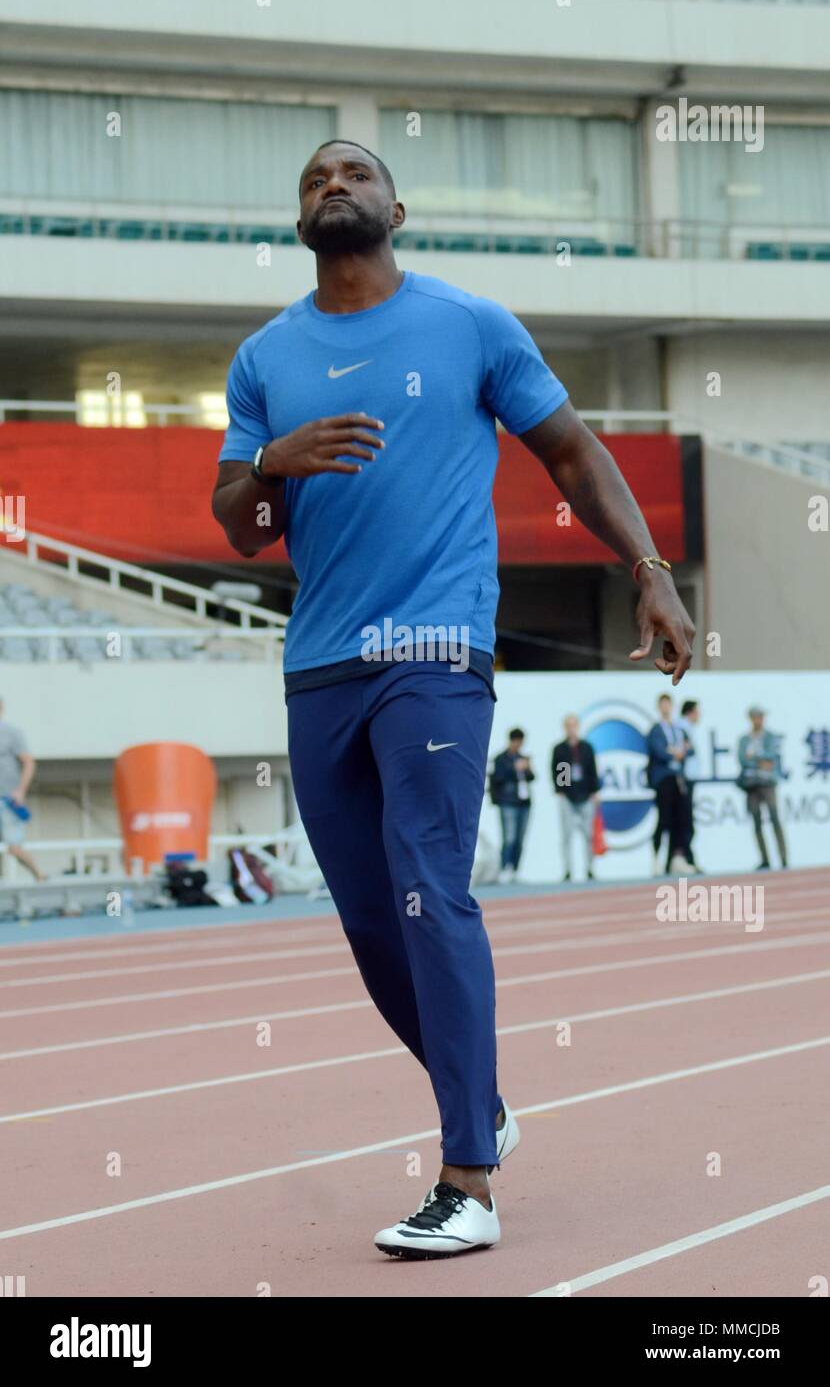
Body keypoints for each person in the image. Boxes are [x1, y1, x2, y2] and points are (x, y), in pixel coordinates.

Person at [211, 138, 695, 1260]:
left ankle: (466, 1178)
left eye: (354, 174)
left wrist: (648, 572)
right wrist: (271, 461)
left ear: (396, 205)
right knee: (371, 922)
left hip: (435, 649)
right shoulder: (263, 356)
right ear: (299, 220)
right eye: (313, 178)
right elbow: (243, 525)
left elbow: (571, 455)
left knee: (429, 883)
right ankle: (479, 1099)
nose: (333, 184)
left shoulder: (470, 325)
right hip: (319, 663)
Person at [647, 693, 694, 875]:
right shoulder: (656, 730)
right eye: (663, 705)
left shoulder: (678, 729)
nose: (666, 708)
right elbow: (659, 752)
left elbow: (690, 749)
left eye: (668, 704)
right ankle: (656, 859)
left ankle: (675, 859)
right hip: (664, 779)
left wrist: (678, 752)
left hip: (678, 778)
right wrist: (675, 752)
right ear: (659, 707)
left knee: (680, 820)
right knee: (664, 819)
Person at [738, 707, 788, 870]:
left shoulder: (770, 737)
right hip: (751, 784)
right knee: (756, 822)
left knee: (775, 819)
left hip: (768, 783)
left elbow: (771, 758)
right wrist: (760, 761)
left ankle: (783, 857)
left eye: (760, 717)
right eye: (755, 717)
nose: (758, 720)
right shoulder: (744, 739)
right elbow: (743, 760)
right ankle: (764, 859)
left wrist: (755, 757)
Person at [0, 698, 45, 881]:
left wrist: (20, 791)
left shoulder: (11, 733)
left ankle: (39, 876)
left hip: (7, 799)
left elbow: (28, 762)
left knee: (14, 848)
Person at [551, 715, 600, 882]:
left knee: (588, 834)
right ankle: (568, 870)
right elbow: (558, 771)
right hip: (568, 796)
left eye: (574, 725)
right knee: (567, 835)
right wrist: (562, 790)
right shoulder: (560, 749)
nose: (571, 729)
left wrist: (594, 792)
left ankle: (590, 868)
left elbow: (592, 771)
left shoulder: (586, 748)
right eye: (568, 725)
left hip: (586, 795)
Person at [489, 728, 535, 883]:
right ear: (511, 741)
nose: (519, 745)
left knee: (520, 839)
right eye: (517, 741)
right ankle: (504, 868)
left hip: (524, 802)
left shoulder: (524, 758)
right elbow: (497, 778)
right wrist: (514, 768)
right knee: (509, 837)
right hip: (508, 802)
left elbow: (532, 777)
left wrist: (527, 768)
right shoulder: (501, 759)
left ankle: (515, 869)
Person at [677, 698, 701, 870]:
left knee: (687, 819)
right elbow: (684, 751)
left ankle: (686, 856)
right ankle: (685, 857)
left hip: (689, 777)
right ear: (690, 712)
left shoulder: (688, 728)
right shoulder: (682, 728)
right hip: (684, 778)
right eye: (697, 711)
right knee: (685, 819)